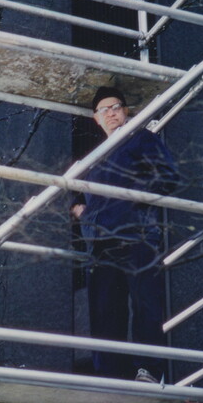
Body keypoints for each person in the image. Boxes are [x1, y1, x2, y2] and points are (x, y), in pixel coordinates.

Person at [71, 86, 178, 382]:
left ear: (126, 110)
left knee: (145, 302)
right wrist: (82, 214)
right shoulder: (93, 158)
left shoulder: (141, 139)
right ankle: (109, 375)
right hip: (103, 244)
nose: (111, 113)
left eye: (116, 106)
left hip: (137, 233)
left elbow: (167, 177)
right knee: (105, 310)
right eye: (104, 110)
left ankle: (149, 369)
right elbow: (77, 198)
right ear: (96, 118)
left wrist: (131, 198)